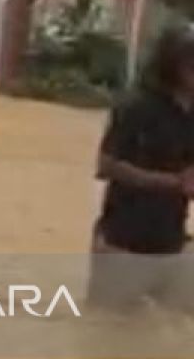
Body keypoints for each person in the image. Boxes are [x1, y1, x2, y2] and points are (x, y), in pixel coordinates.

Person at [87, 25, 194, 312]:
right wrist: (170, 182)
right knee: (106, 332)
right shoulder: (136, 107)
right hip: (122, 241)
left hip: (172, 242)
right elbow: (106, 165)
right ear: (173, 65)